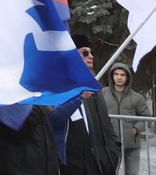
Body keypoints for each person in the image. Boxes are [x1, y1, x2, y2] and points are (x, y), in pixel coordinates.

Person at [57, 47, 118, 175]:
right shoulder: (64, 88)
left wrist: (114, 149)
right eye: (85, 53)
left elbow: (105, 121)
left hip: (102, 163)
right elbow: (55, 119)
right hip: (76, 164)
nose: (91, 56)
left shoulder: (94, 84)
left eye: (91, 52)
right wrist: (78, 97)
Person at [100, 64, 149, 175]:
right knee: (110, 172)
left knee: (132, 173)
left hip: (131, 144)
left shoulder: (136, 97)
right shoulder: (103, 94)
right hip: (110, 143)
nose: (119, 77)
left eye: (122, 75)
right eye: (116, 74)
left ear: (127, 77)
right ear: (112, 76)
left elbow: (147, 118)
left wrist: (136, 129)